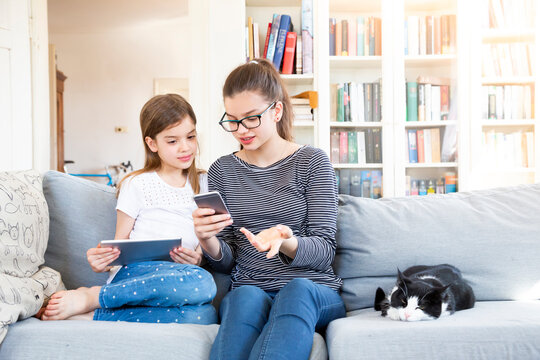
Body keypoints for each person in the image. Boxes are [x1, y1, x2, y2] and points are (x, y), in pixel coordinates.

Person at [193, 59, 346, 360]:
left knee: (297, 290)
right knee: (244, 296)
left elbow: (325, 250)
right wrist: (207, 239)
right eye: (233, 120)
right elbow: (227, 262)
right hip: (252, 287)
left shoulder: (312, 162)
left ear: (276, 111)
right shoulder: (222, 171)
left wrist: (285, 243)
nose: (241, 130)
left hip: (313, 290)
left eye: (251, 118)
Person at [41, 94, 217, 324]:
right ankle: (94, 296)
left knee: (205, 315)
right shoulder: (137, 184)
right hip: (137, 273)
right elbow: (120, 245)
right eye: (172, 141)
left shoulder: (205, 183)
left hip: (181, 276)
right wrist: (104, 260)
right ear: (152, 144)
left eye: (191, 137)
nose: (185, 147)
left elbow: (209, 239)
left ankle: (96, 315)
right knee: (203, 283)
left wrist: (198, 259)